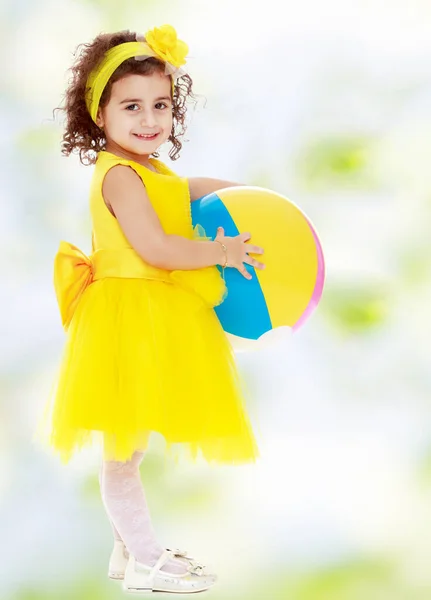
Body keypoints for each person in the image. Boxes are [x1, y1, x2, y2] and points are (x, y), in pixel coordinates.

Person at [37, 24, 265, 594]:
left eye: (160, 105)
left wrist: (257, 200)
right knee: (121, 452)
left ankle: (128, 553)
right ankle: (143, 559)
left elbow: (191, 189)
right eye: (132, 106)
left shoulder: (151, 171)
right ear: (100, 115)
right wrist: (221, 251)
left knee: (129, 447)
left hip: (147, 315)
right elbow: (156, 248)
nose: (149, 120)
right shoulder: (118, 176)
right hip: (127, 317)